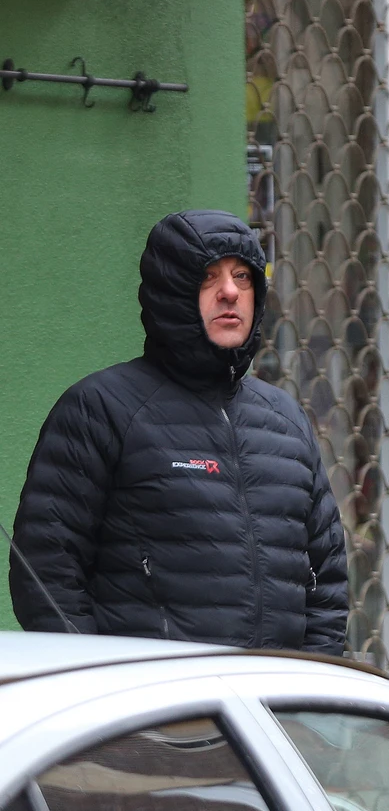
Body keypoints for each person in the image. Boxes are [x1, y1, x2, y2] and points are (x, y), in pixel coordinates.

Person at [9, 210, 348, 651]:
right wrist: (109, 690)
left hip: (266, 710)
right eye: (209, 277)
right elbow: (46, 571)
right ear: (171, 293)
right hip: (152, 710)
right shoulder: (101, 408)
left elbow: (328, 583)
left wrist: (306, 694)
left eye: (243, 277)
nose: (230, 292)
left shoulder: (285, 420)